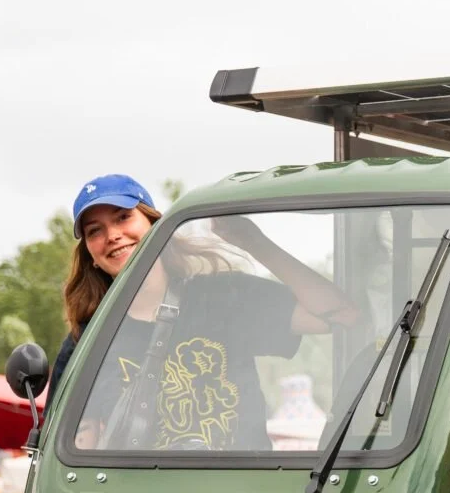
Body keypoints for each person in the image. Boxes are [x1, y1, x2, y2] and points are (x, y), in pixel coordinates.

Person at [49, 174, 361, 450]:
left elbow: (339, 314)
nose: (112, 235)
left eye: (122, 218)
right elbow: (75, 450)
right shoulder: (85, 344)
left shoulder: (224, 298)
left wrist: (254, 242)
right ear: (91, 255)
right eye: (95, 231)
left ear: (156, 226)